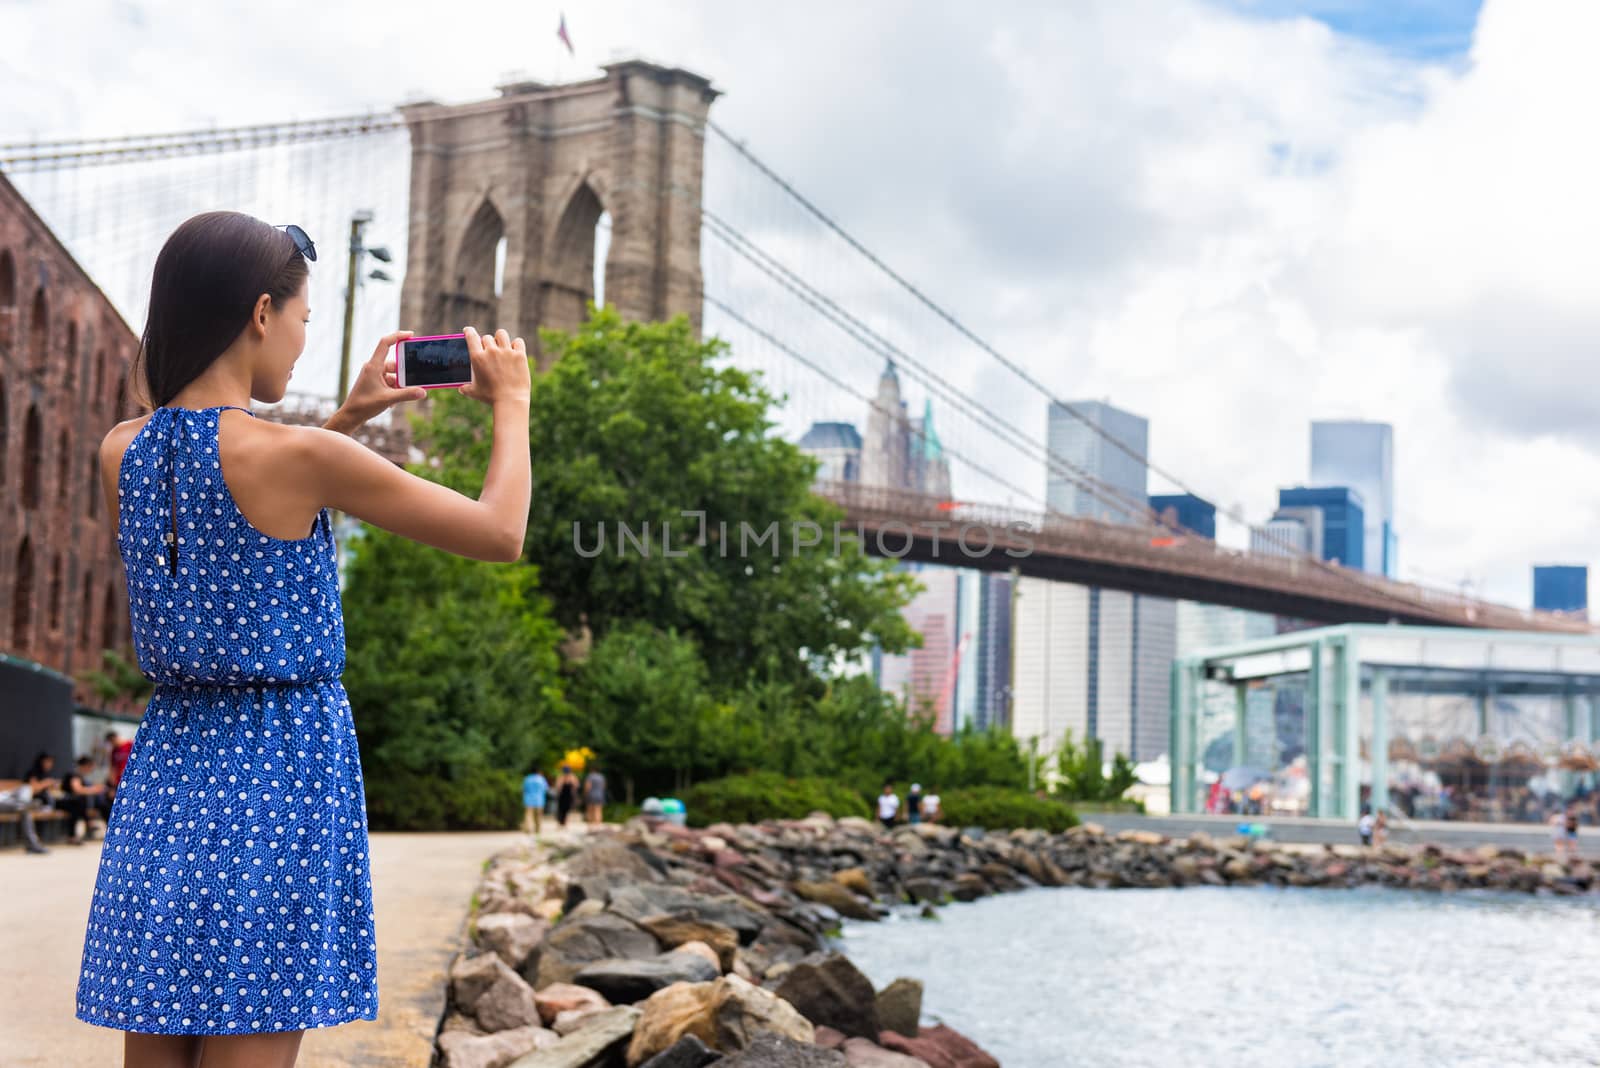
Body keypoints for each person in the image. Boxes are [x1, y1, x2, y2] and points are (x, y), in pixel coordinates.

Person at [76, 211, 532, 1068]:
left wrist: (351, 417)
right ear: (259, 314)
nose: (298, 341)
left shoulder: (122, 451)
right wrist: (512, 401)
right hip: (280, 770)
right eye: (302, 321)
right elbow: (500, 531)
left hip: (171, 768)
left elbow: (233, 514)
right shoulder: (303, 458)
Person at [61, 755, 112, 845]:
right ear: (85, 766)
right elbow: (77, 789)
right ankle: (73, 835)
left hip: (79, 803)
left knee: (103, 804)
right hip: (69, 802)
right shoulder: (74, 774)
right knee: (77, 805)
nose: (91, 769)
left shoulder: (81, 776)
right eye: (90, 767)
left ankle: (110, 829)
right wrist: (95, 790)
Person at [522, 766, 550, 835]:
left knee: (528, 816)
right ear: (538, 771)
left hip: (528, 799)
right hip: (539, 800)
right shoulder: (541, 779)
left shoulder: (527, 779)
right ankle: (538, 830)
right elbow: (546, 789)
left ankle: (528, 829)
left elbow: (524, 789)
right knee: (538, 816)